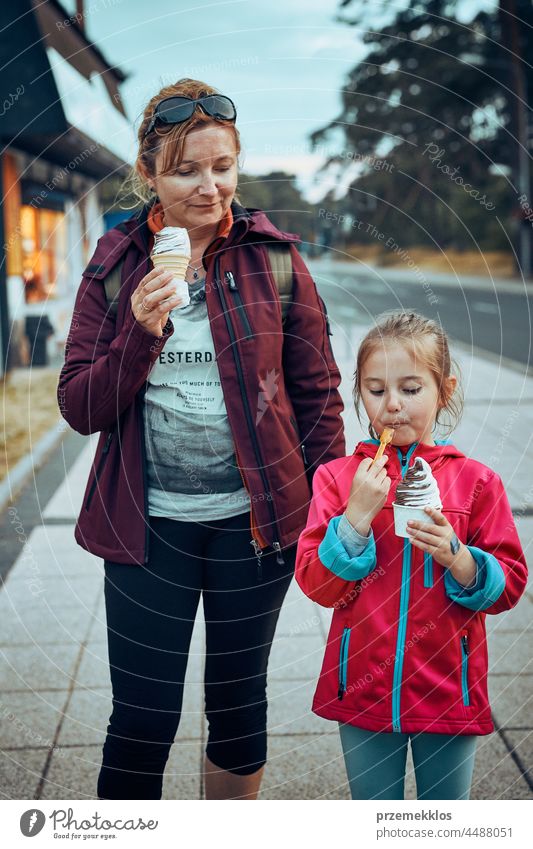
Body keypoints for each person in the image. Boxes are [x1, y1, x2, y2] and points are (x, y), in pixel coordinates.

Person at [57, 78, 345, 800]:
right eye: (186, 169)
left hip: (257, 531)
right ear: (148, 173)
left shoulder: (275, 260)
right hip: (147, 526)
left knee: (239, 708)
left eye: (222, 167)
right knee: (143, 716)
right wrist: (138, 332)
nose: (209, 186)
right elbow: (78, 406)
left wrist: (334, 510)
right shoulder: (117, 263)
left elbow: (317, 397)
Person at [295, 311, 527, 800]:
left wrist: (458, 558)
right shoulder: (337, 480)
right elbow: (317, 585)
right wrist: (355, 519)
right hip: (360, 687)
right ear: (360, 393)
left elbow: (509, 583)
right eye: (377, 391)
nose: (393, 406)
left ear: (444, 389)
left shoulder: (477, 482)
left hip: (448, 690)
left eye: (411, 389)